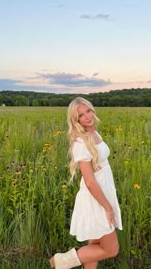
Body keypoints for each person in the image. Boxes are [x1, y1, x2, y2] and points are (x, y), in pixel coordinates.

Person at [49, 97, 123, 269]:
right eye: (81, 115)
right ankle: (59, 261)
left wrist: (99, 163)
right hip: (95, 197)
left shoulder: (93, 133)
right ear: (76, 121)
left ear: (92, 109)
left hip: (103, 191)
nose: (87, 116)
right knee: (111, 249)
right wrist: (107, 207)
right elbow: (89, 181)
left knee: (95, 242)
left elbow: (97, 161)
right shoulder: (81, 142)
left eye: (88, 111)